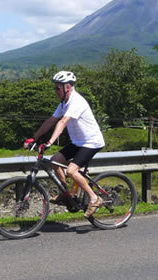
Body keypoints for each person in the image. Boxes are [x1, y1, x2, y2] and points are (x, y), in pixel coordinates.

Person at [27, 70, 106, 217]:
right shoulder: (64, 103)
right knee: (55, 161)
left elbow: (63, 122)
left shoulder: (76, 101)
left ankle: (95, 198)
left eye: (58, 88)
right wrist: (34, 138)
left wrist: (49, 142)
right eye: (55, 88)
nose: (55, 91)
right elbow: (51, 120)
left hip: (91, 142)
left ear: (67, 87)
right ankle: (66, 193)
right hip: (78, 142)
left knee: (71, 171)